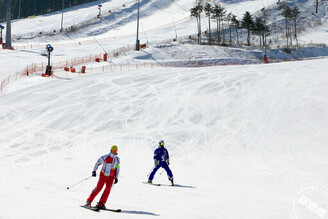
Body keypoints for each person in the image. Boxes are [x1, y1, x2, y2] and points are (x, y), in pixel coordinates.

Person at [84, 145, 120, 209]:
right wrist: (94, 171)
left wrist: (116, 177)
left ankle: (101, 204)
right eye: (114, 150)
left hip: (111, 177)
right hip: (103, 175)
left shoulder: (117, 159)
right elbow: (97, 163)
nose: (115, 152)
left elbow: (117, 168)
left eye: (116, 151)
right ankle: (88, 202)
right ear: (111, 150)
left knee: (108, 190)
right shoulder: (105, 157)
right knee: (98, 188)